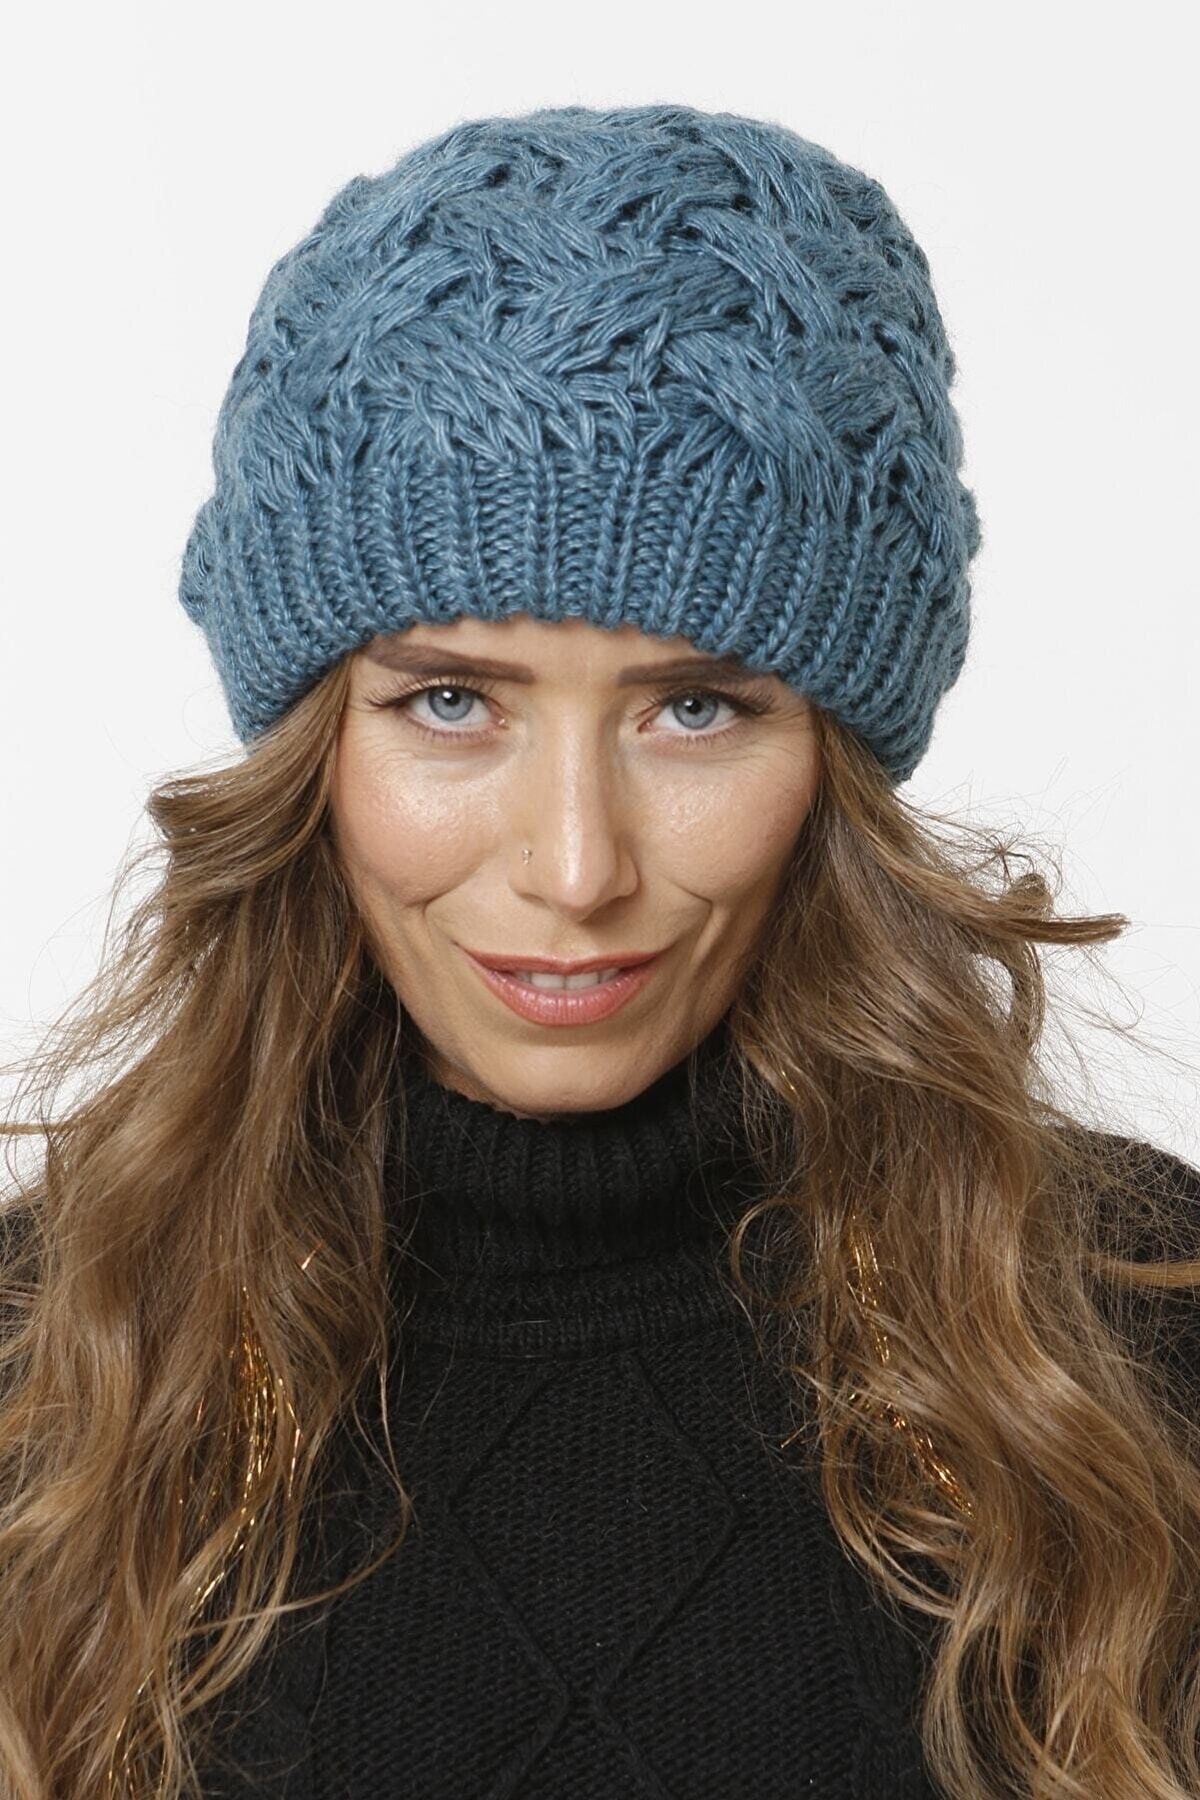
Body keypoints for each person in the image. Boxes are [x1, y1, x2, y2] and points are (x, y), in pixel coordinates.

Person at [1, 102, 1198, 1800]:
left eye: (695, 710)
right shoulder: (45, 1372)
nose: (575, 870)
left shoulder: (1132, 1342)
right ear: (310, 752)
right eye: (451, 702)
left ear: (836, 761)